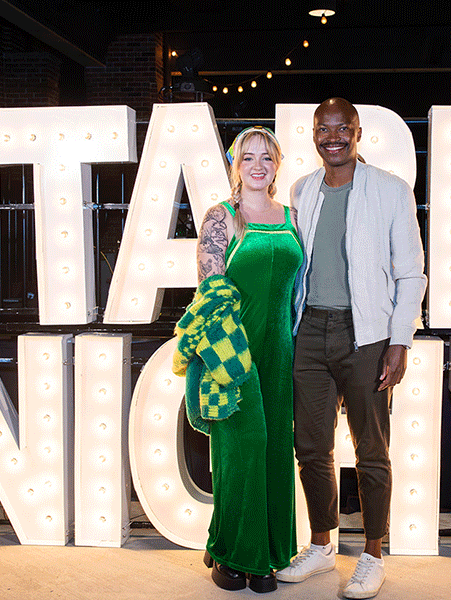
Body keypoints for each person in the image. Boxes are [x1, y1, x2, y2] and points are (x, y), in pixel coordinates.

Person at [276, 98, 427, 599]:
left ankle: (373, 554)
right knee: (312, 448)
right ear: (314, 134)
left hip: (366, 335)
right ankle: (321, 547)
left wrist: (399, 340)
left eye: (343, 128)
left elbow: (410, 272)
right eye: (324, 128)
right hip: (310, 332)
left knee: (371, 450)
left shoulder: (389, 189)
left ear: (358, 132)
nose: (333, 136)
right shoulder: (303, 189)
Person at [177, 126, 302, 593]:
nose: (257, 165)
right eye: (247, 157)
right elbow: (210, 292)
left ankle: (265, 551)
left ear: (276, 165)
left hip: (282, 353)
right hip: (232, 350)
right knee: (242, 447)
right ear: (235, 165)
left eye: (266, 158)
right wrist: (226, 359)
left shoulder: (292, 216)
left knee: (274, 450)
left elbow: (297, 292)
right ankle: (233, 552)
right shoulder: (221, 218)